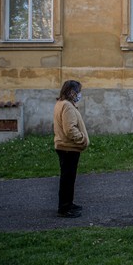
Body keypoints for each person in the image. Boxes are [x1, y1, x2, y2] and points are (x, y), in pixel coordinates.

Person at [54, 80, 90, 218]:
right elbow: (69, 129)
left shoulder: (61, 104)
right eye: (78, 91)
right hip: (68, 148)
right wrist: (82, 140)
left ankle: (68, 204)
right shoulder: (67, 106)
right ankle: (65, 208)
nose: (79, 94)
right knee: (68, 179)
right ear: (71, 92)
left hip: (65, 147)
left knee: (68, 179)